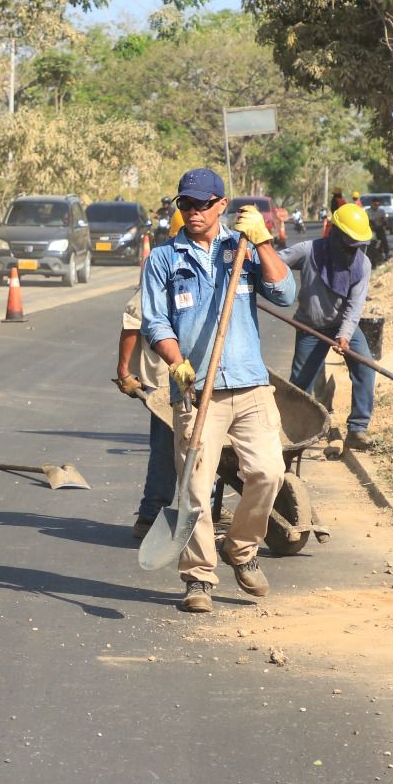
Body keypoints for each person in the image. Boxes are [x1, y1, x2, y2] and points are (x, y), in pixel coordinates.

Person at [141, 168, 297, 613]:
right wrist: (177, 362)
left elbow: (285, 294)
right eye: (184, 205)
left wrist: (263, 241)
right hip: (197, 390)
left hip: (249, 384)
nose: (192, 212)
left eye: (201, 204)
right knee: (196, 487)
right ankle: (198, 578)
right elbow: (155, 322)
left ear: (220, 205)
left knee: (269, 473)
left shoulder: (242, 248)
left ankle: (242, 549)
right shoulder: (164, 259)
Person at [279, 203, 377, 451]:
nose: (353, 249)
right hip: (310, 326)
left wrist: (344, 335)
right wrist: (254, 257)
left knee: (365, 367)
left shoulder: (362, 264)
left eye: (358, 243)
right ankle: (293, 435)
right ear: (335, 233)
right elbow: (277, 263)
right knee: (299, 386)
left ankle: (357, 429)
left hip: (341, 325)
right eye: (349, 242)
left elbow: (355, 307)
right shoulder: (308, 251)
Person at [115, 209, 183, 541]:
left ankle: (206, 507)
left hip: (209, 380)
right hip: (166, 381)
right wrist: (124, 370)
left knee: (204, 449)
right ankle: (150, 515)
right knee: (166, 448)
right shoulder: (164, 267)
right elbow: (133, 321)